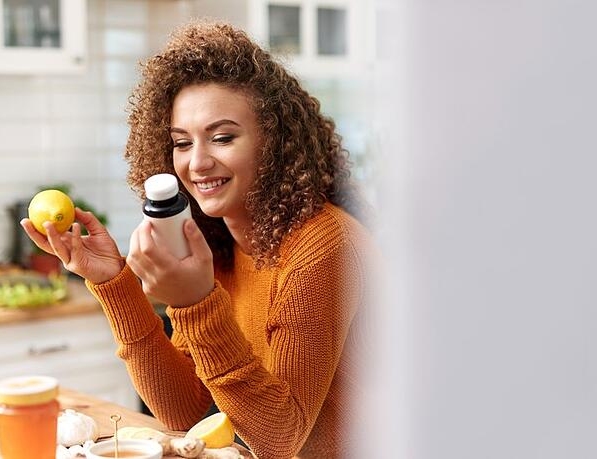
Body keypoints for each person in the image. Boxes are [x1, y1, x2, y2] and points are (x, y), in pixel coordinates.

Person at [21, 21, 375, 458]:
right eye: (182, 143)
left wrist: (195, 302)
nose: (198, 162)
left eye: (223, 137)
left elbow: (281, 438)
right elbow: (186, 412)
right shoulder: (217, 243)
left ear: (276, 142)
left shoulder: (324, 246)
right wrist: (115, 283)